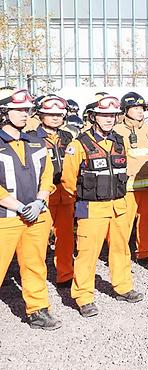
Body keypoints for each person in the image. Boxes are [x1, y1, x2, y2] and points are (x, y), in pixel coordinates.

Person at [61, 95, 144, 317]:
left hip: (118, 206)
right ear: (93, 116)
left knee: (120, 249)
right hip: (92, 208)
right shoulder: (78, 145)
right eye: (104, 115)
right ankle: (83, 297)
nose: (108, 119)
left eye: (112, 115)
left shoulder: (119, 140)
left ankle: (123, 287)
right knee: (87, 254)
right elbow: (68, 181)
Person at [0, 88, 62, 329]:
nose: (25, 115)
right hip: (6, 217)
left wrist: (40, 200)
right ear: (4, 112)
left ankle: (38, 310)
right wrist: (17, 206)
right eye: (19, 110)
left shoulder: (36, 141)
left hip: (36, 215)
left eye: (26, 110)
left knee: (35, 263)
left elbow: (48, 175)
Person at [28, 94, 79, 287]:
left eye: (59, 114)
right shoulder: (31, 138)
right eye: (50, 114)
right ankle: (35, 279)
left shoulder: (68, 137)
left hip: (65, 193)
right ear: (40, 115)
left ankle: (64, 275)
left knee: (65, 237)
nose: (56, 117)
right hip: (43, 195)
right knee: (39, 241)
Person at [113, 92, 148, 264]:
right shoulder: (117, 131)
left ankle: (145, 252)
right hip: (126, 186)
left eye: (142, 108)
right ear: (125, 110)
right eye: (135, 108)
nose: (140, 112)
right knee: (123, 223)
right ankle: (119, 256)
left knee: (147, 220)